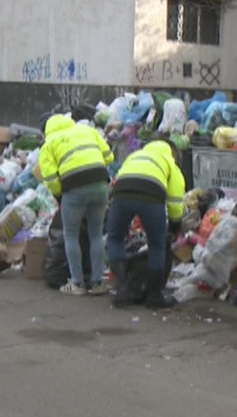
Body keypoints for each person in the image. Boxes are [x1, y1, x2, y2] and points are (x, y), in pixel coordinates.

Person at [106, 136, 185, 309]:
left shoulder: (134, 156)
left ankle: (122, 291)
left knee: (115, 238)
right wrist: (174, 223)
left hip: (122, 193)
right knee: (157, 245)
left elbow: (118, 178)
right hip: (151, 196)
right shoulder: (169, 162)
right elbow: (175, 200)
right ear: (172, 153)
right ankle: (155, 296)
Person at [39, 114, 114, 295]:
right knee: (95, 233)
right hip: (100, 183)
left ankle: (77, 284)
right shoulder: (87, 131)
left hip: (74, 187)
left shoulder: (49, 144)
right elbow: (109, 157)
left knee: (71, 235)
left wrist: (60, 195)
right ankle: (97, 283)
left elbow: (49, 177)